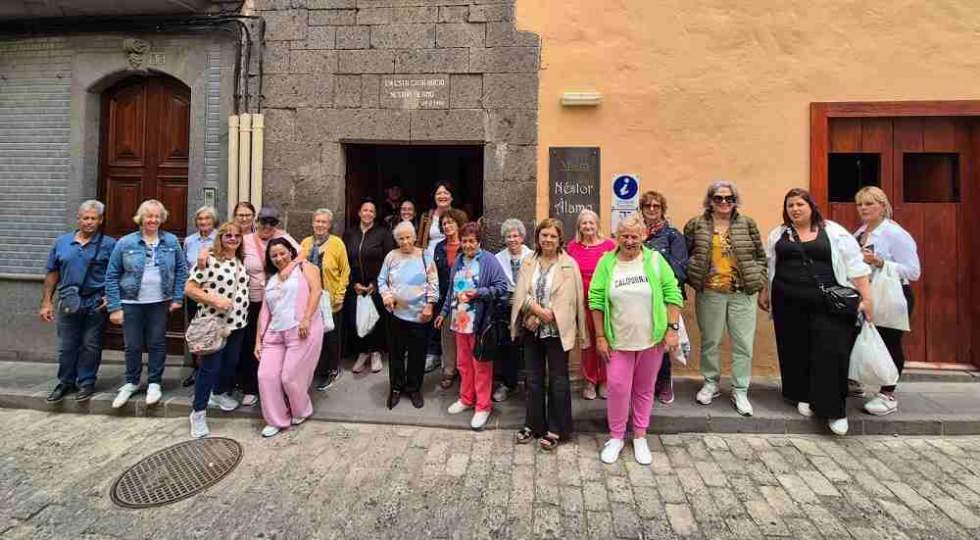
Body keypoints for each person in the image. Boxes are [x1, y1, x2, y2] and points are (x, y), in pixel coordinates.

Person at [760, 188, 873, 436]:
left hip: (828, 304)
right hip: (788, 303)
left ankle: (834, 411)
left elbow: (855, 263)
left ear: (811, 206)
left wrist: (866, 297)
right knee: (795, 349)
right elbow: (771, 265)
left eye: (800, 204)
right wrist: (766, 292)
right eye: (790, 205)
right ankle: (802, 395)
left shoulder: (832, 231)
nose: (795, 209)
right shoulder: (778, 234)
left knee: (830, 352)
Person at [590, 214, 683, 465]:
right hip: (617, 340)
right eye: (624, 236)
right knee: (618, 388)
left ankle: (640, 436)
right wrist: (600, 336)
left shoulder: (654, 260)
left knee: (644, 389)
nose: (630, 241)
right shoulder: (606, 263)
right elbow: (596, 300)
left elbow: (673, 293)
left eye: (634, 236)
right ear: (616, 237)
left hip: (651, 340)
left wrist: (672, 329)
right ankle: (617, 436)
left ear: (643, 236)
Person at [683, 181, 767, 416]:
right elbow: (686, 253)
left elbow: (760, 256)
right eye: (718, 198)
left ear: (734, 201)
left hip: (742, 293)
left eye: (728, 198)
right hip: (710, 292)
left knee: (743, 343)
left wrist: (759, 281)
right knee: (711, 340)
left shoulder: (747, 224)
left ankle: (740, 389)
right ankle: (711, 383)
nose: (723, 202)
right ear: (710, 200)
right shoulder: (696, 225)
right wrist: (694, 274)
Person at [511, 218, 589, 450]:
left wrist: (550, 314)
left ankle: (557, 428)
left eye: (553, 236)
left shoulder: (568, 265)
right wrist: (534, 311)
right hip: (532, 329)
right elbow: (520, 293)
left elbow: (573, 300)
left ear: (559, 239)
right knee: (533, 379)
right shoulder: (528, 262)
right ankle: (533, 425)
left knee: (558, 381)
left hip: (557, 331)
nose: (548, 240)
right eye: (544, 235)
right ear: (537, 238)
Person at [105, 199, 188, 409]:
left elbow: (181, 270)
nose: (153, 220)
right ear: (140, 218)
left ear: (162, 219)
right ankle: (132, 382)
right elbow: (112, 274)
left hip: (159, 302)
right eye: (149, 216)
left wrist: (178, 298)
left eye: (157, 216)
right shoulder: (125, 243)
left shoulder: (170, 241)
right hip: (131, 302)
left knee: (157, 343)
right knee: (132, 345)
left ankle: (154, 382)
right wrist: (114, 307)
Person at [39, 200, 117, 403]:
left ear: (100, 221)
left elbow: (116, 274)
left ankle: (86, 382)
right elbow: (52, 273)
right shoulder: (62, 242)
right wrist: (46, 302)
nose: (88, 222)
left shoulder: (110, 244)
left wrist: (111, 297)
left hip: (95, 302)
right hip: (68, 301)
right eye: (85, 218)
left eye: (93, 218)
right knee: (67, 345)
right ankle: (65, 382)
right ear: (78, 219)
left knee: (90, 345)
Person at [853, 186, 920, 416]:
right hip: (869, 294)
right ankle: (857, 383)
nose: (863, 208)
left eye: (869, 203)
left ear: (883, 206)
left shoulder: (894, 233)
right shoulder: (861, 231)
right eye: (860, 204)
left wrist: (880, 262)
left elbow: (913, 271)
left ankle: (888, 393)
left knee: (890, 341)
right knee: (863, 338)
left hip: (892, 294)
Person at [436, 222, 508, 431]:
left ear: (479, 242)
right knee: (463, 364)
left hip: (480, 323)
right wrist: (443, 313)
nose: (467, 245)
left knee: (481, 366)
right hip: (460, 322)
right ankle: (466, 398)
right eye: (464, 241)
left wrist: (478, 293)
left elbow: (501, 287)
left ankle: (483, 406)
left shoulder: (488, 261)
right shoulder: (458, 260)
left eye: (471, 241)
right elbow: (451, 289)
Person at [184, 221, 250, 437]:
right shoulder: (209, 260)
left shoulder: (240, 261)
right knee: (209, 368)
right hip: (214, 324)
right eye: (228, 235)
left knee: (230, 363)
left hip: (238, 324)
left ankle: (219, 393)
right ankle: (198, 412)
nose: (232, 239)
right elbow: (190, 288)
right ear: (220, 238)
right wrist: (213, 300)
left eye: (236, 236)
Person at [255, 238, 325, 438]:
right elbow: (264, 312)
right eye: (274, 255)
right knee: (266, 376)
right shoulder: (271, 279)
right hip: (274, 333)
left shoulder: (305, 267)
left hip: (300, 329)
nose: (279, 258)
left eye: (282, 253)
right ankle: (276, 419)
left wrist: (306, 319)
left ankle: (301, 410)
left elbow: (316, 292)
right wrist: (258, 341)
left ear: (291, 252)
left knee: (290, 377)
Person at [238, 206, 300, 407]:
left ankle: (279, 387)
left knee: (275, 344)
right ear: (256, 222)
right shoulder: (246, 240)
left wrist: (289, 267)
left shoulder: (284, 237)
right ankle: (250, 387)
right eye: (264, 222)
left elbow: (302, 254)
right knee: (251, 344)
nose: (267, 226)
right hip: (252, 300)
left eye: (272, 223)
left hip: (277, 302)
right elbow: (225, 251)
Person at [378, 221, 440, 409]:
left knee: (417, 354)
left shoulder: (425, 255)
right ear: (396, 240)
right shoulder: (391, 256)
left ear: (414, 237)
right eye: (401, 238)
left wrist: (430, 305)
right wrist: (387, 296)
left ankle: (414, 388)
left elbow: (433, 282)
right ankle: (396, 388)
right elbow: (382, 280)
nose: (405, 241)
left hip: (420, 315)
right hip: (396, 314)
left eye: (408, 237)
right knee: (396, 353)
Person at [640, 190, 688, 405]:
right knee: (643, 342)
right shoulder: (635, 233)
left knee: (662, 341)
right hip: (639, 297)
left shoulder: (673, 235)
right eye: (647, 206)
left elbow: (680, 269)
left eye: (656, 206)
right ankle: (646, 384)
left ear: (662, 210)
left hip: (663, 298)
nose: (651, 209)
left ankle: (665, 382)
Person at [565, 209, 616, 400]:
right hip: (582, 303)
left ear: (597, 225)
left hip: (605, 303)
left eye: (591, 223)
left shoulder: (610, 246)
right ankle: (590, 380)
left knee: (605, 341)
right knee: (587, 344)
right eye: (584, 223)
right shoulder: (572, 247)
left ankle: (605, 380)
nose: (587, 226)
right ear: (579, 226)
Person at [342, 199, 395, 374]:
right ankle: (362, 353)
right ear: (359, 213)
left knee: (376, 318)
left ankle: (376, 353)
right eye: (365, 210)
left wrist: (375, 283)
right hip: (356, 285)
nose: (368, 214)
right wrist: (353, 283)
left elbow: (389, 260)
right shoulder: (349, 234)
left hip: (376, 284)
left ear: (375, 214)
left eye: (371, 211)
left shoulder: (383, 233)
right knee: (357, 319)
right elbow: (344, 261)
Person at [299, 209, 349, 391]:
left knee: (331, 337)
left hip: (330, 297)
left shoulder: (337, 244)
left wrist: (340, 294)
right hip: (310, 298)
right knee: (313, 335)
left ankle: (333, 370)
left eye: (324, 222)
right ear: (312, 223)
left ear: (330, 225)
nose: (320, 225)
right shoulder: (305, 243)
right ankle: (317, 369)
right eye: (317, 221)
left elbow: (345, 271)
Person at [492, 218, 534, 402]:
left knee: (531, 344)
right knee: (509, 345)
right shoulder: (497, 258)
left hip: (529, 304)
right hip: (507, 305)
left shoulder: (532, 256)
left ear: (522, 237)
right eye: (508, 236)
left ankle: (530, 384)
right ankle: (509, 383)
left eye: (516, 235)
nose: (512, 239)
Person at [181, 206, 219, 388]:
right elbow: (184, 267)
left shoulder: (221, 239)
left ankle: (214, 372)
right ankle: (197, 369)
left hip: (214, 294)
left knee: (214, 330)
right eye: (200, 219)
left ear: (214, 221)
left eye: (207, 219)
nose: (203, 222)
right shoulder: (189, 241)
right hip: (194, 294)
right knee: (196, 330)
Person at [432, 208, 468, 386]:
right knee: (447, 336)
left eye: (450, 222)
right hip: (444, 298)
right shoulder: (439, 247)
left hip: (464, 299)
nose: (447, 226)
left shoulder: (467, 244)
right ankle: (449, 370)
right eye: (444, 224)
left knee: (464, 336)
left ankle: (465, 371)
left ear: (459, 224)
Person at [417, 182, 455, 256]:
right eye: (438, 193)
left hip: (451, 260)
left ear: (451, 197)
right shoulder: (426, 216)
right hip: (429, 259)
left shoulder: (459, 215)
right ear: (434, 197)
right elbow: (419, 242)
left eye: (446, 193)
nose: (442, 196)